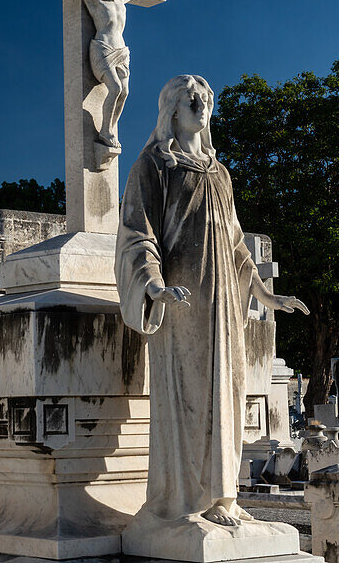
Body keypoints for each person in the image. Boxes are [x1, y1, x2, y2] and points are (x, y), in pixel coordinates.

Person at [116, 75, 309, 530]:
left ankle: (223, 495)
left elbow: (236, 242)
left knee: (227, 391)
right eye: (190, 97)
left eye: (205, 97)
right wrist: (153, 285)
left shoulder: (220, 172)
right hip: (181, 301)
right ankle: (185, 501)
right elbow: (136, 233)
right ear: (172, 110)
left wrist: (264, 293)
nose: (201, 102)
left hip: (223, 301)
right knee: (190, 397)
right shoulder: (154, 164)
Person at [28, 0, 165, 150]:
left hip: (121, 51)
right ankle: (106, 132)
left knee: (124, 92)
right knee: (116, 87)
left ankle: (108, 128)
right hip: (102, 48)